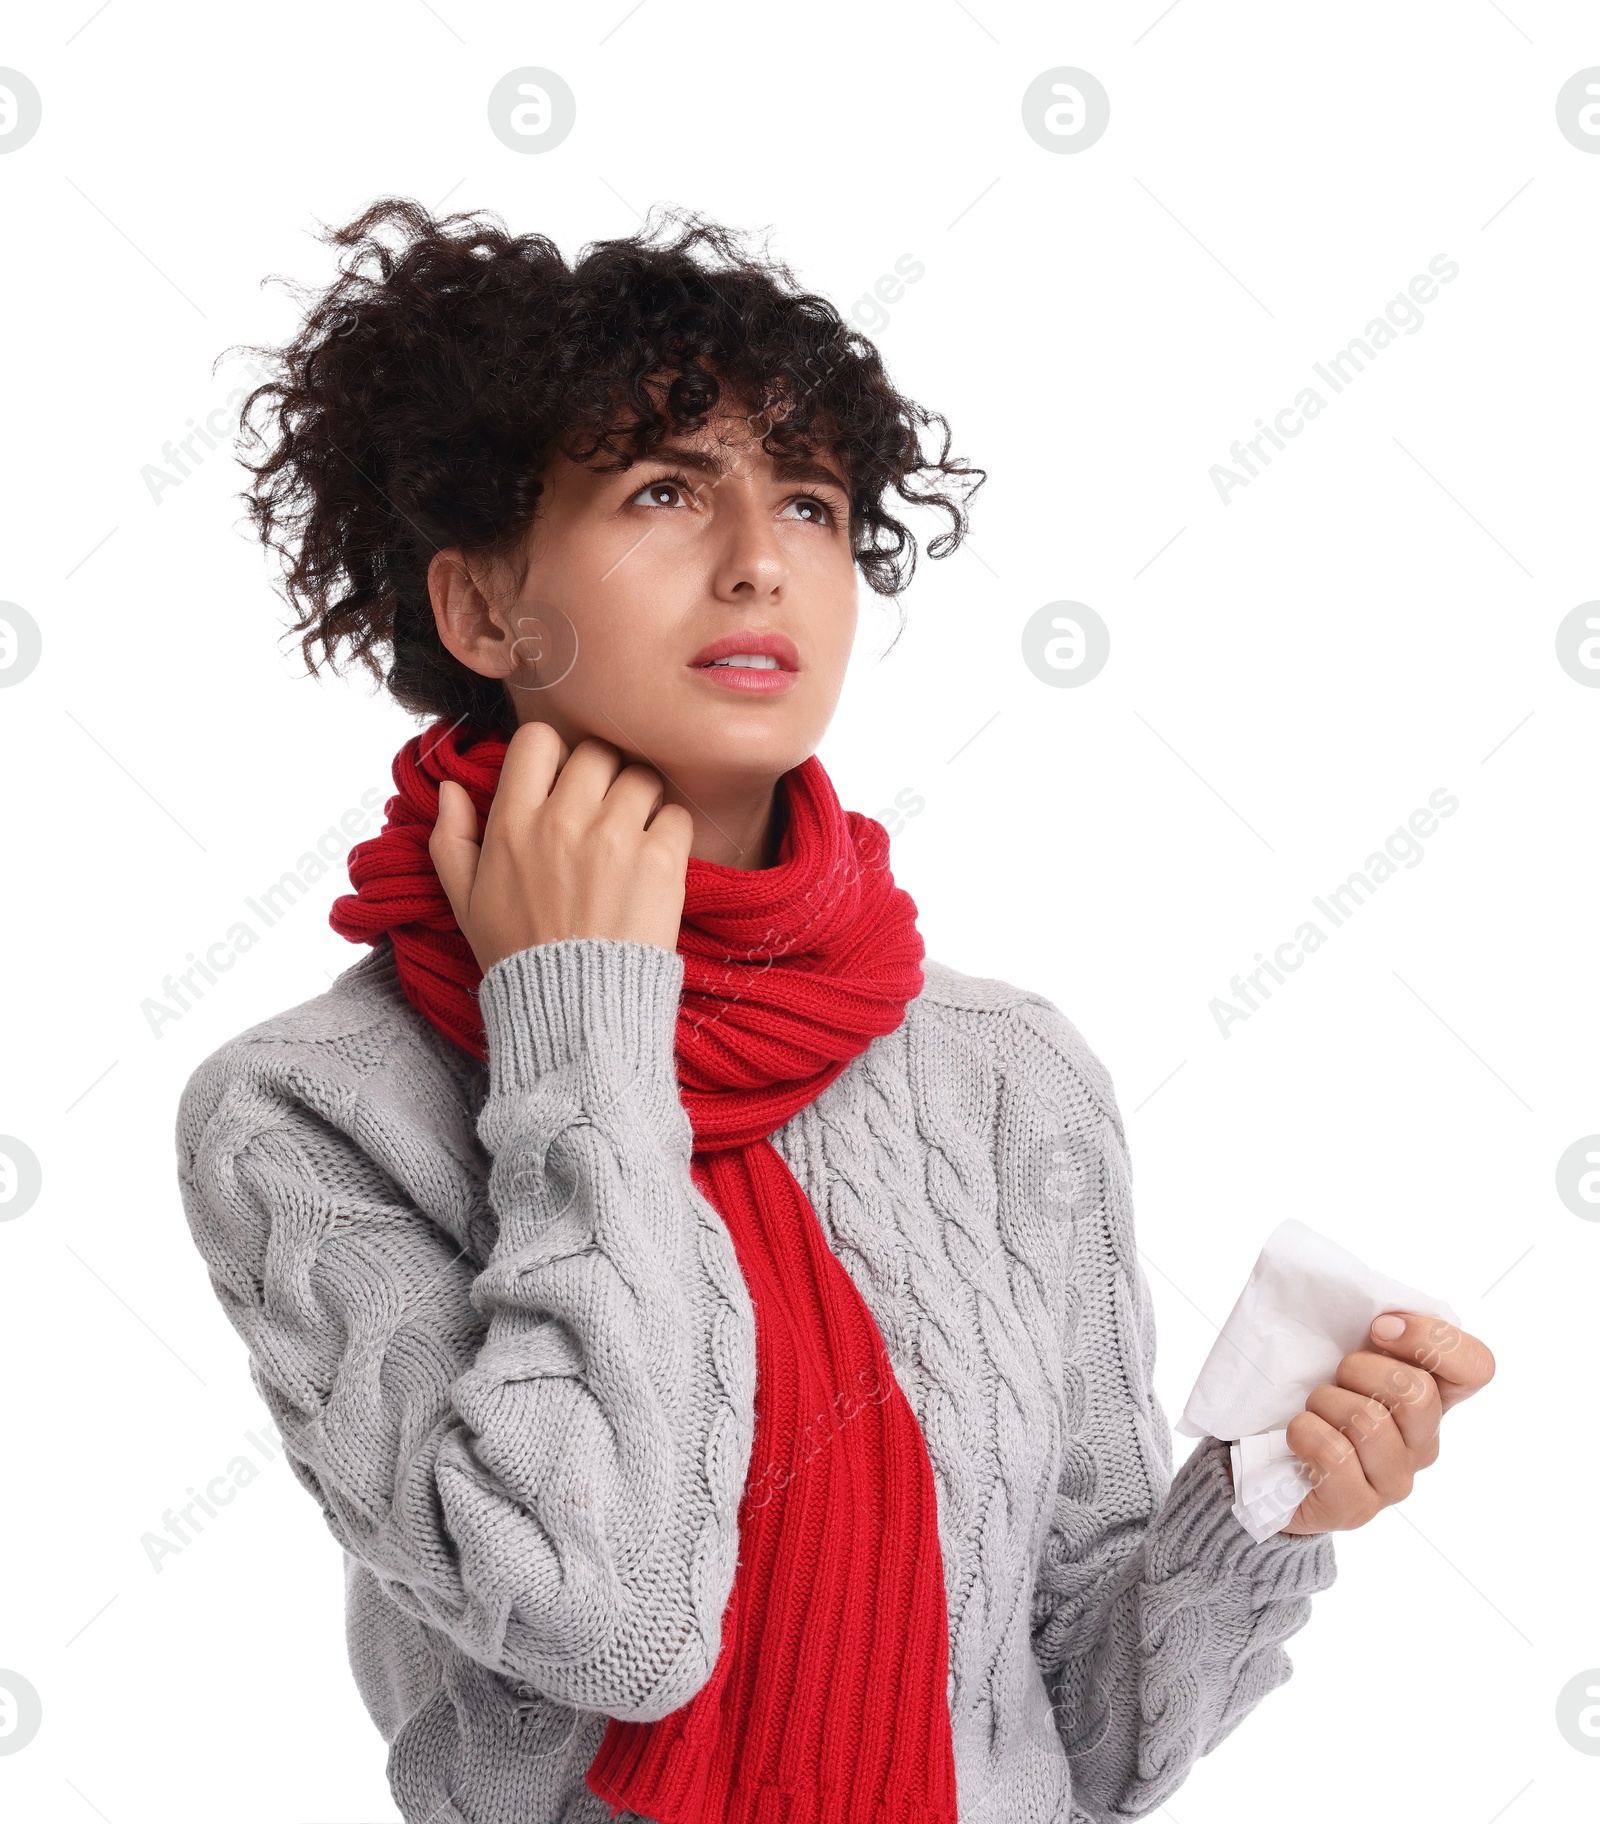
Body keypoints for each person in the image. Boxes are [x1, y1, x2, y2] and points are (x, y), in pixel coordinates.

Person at [174, 200, 1494, 1824]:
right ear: (482, 611)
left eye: (808, 499)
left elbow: (1073, 1740)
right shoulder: (310, 1114)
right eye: (663, 489)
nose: (758, 559)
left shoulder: (1009, 1078)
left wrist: (1260, 1504)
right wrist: (579, 1012)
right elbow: (608, 1621)